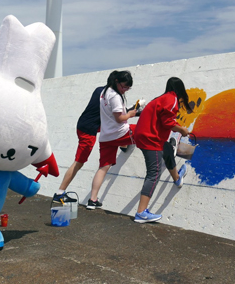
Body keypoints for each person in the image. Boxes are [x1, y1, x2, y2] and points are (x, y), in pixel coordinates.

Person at [132, 77, 192, 223]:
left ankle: (177, 178)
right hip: (150, 138)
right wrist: (182, 129)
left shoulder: (161, 98)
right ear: (180, 89)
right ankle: (141, 213)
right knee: (154, 173)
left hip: (145, 136)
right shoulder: (171, 99)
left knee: (167, 150)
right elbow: (167, 122)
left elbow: (165, 119)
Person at [87, 70, 138, 210]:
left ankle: (92, 200)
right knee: (144, 131)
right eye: (124, 86)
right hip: (120, 133)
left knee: (103, 168)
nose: (125, 90)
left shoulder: (105, 92)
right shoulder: (115, 97)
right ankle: (165, 146)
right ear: (117, 81)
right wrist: (131, 113)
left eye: (128, 88)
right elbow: (119, 118)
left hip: (106, 137)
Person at [53, 85, 105, 204]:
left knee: (78, 162)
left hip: (83, 125)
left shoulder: (99, 90)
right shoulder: (110, 95)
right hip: (89, 130)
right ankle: (59, 193)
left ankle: (60, 193)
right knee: (78, 162)